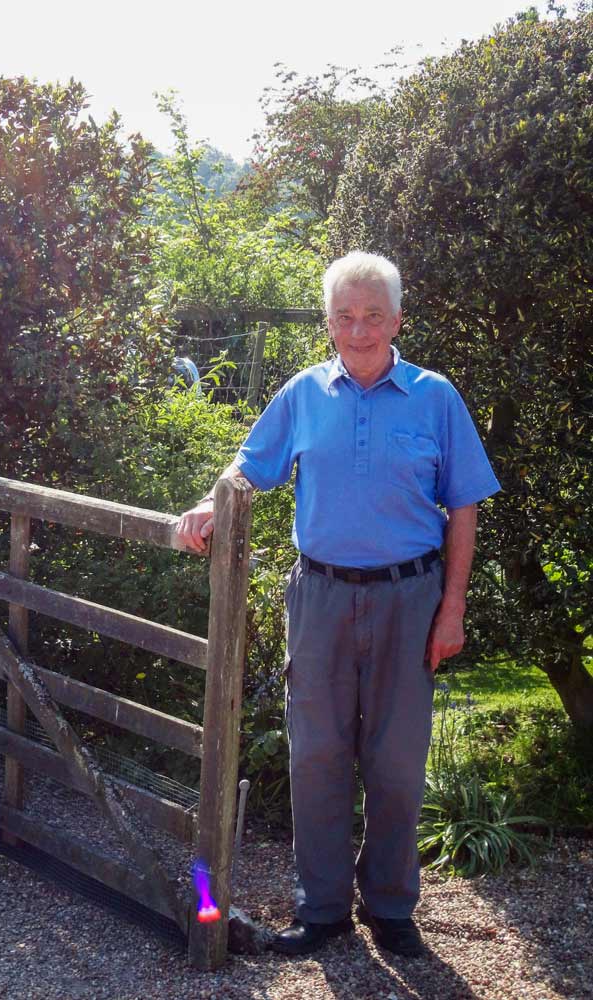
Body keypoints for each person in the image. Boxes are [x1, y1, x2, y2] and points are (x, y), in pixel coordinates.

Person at [176, 251, 500, 958]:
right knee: (316, 755)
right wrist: (212, 501)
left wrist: (452, 609)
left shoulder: (434, 396)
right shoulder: (302, 394)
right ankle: (320, 910)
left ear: (396, 321)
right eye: (344, 317)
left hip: (408, 598)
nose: (358, 330)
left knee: (394, 761)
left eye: (372, 316)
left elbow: (465, 505)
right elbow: (249, 467)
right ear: (327, 323)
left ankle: (389, 906)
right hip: (319, 597)